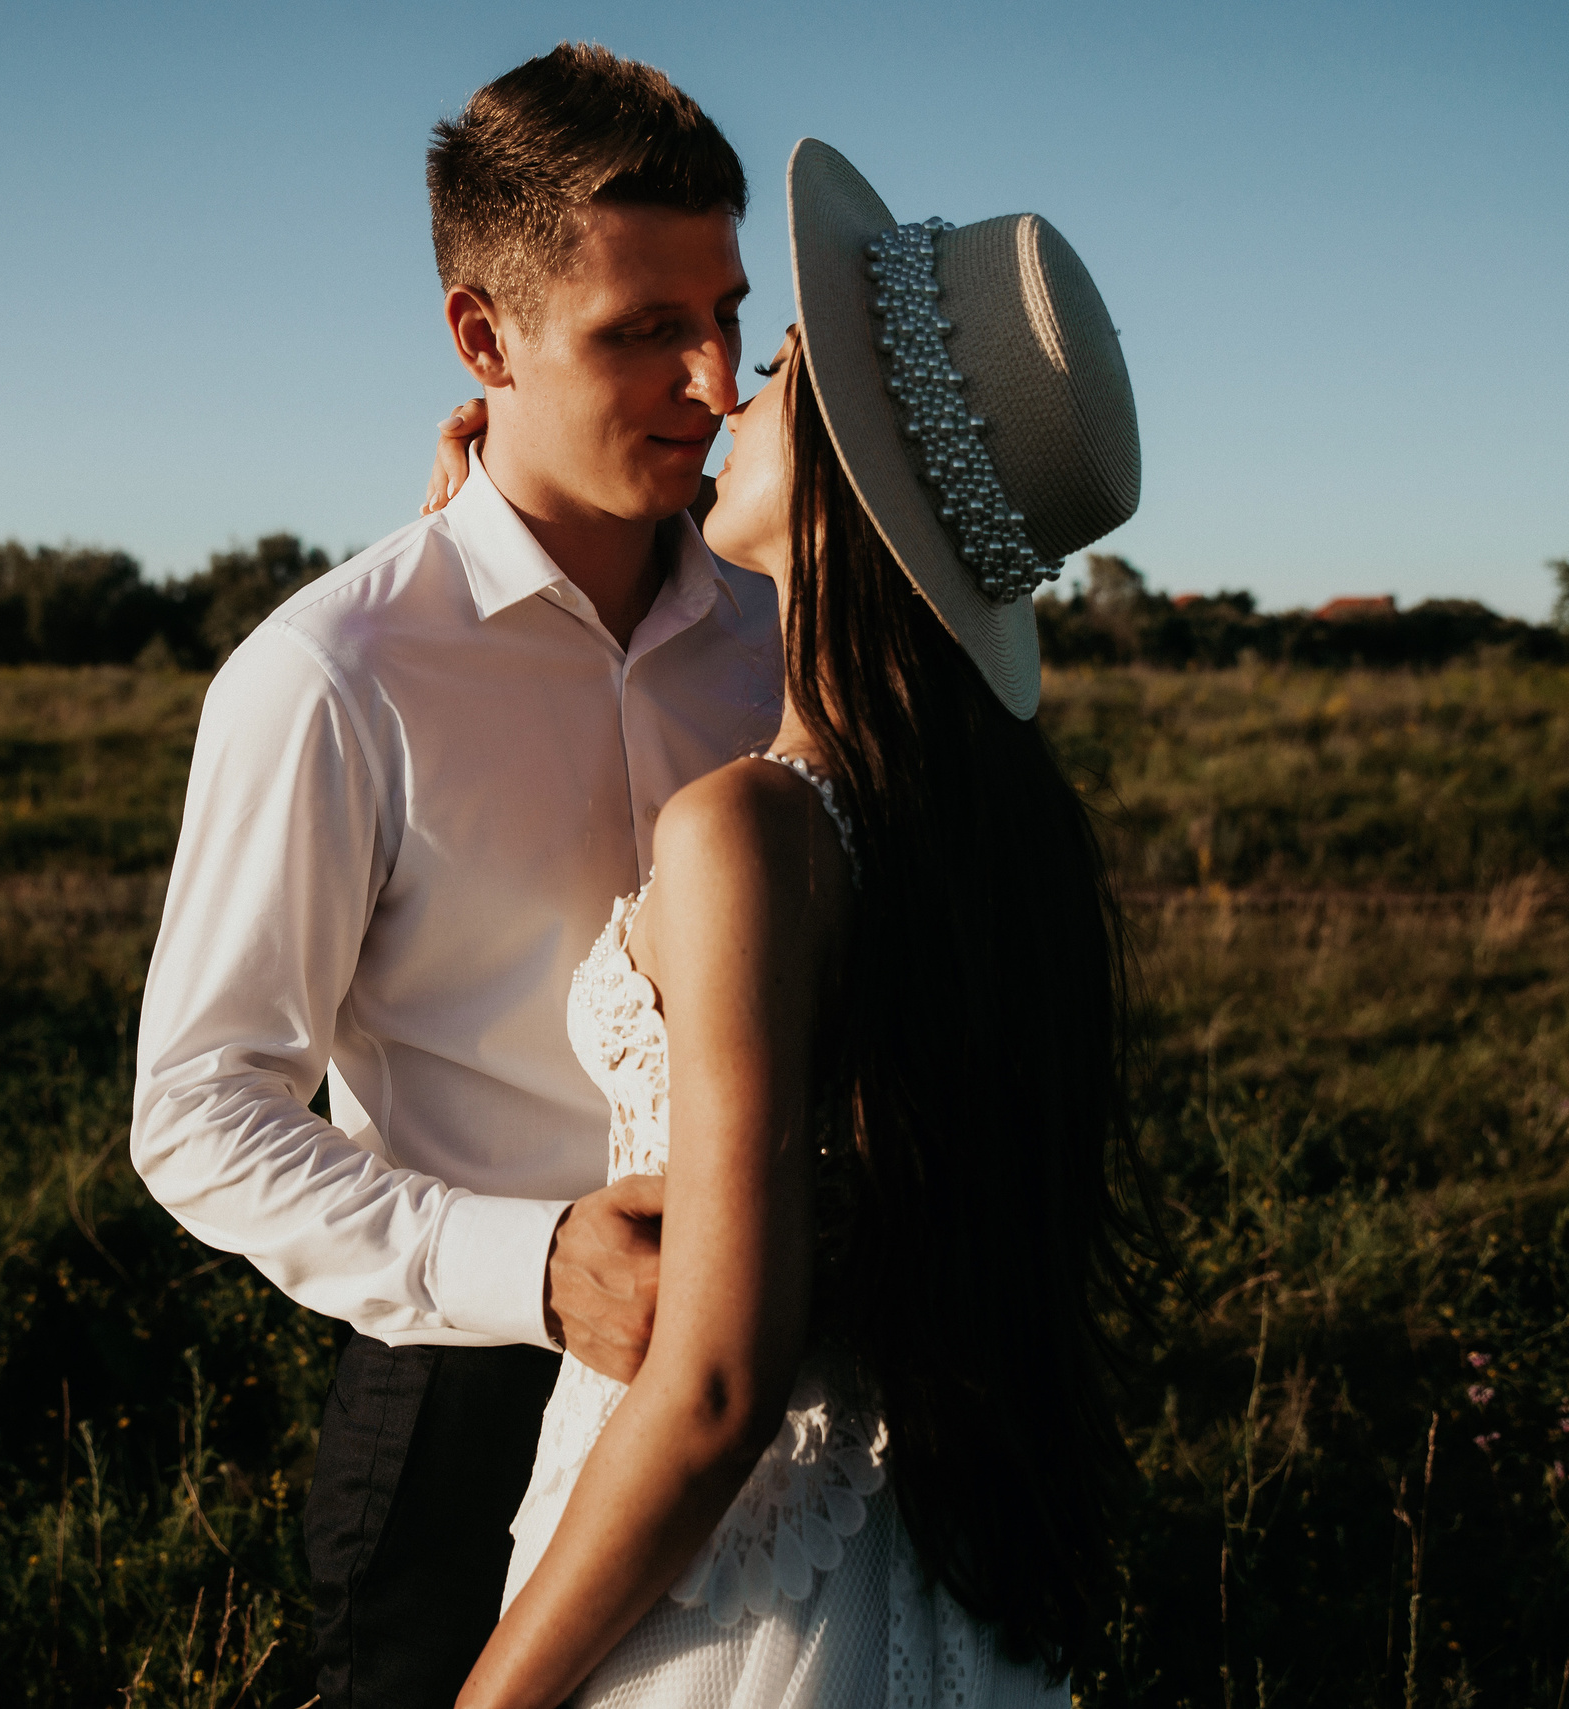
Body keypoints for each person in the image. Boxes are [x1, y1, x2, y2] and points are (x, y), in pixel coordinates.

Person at [427, 140, 1163, 1707]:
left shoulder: (754, 829)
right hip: (923, 1564)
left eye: (770, 373)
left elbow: (713, 1383)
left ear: (847, 451)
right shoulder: (994, 824)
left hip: (732, 1586)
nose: (726, 398)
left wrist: (489, 1699)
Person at [129, 46, 779, 1709]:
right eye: (643, 331)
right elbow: (198, 1108)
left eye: (728, 315)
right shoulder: (333, 674)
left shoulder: (781, 636)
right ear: (482, 340)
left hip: (790, 1372)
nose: (710, 381)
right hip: (463, 1405)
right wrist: (532, 1264)